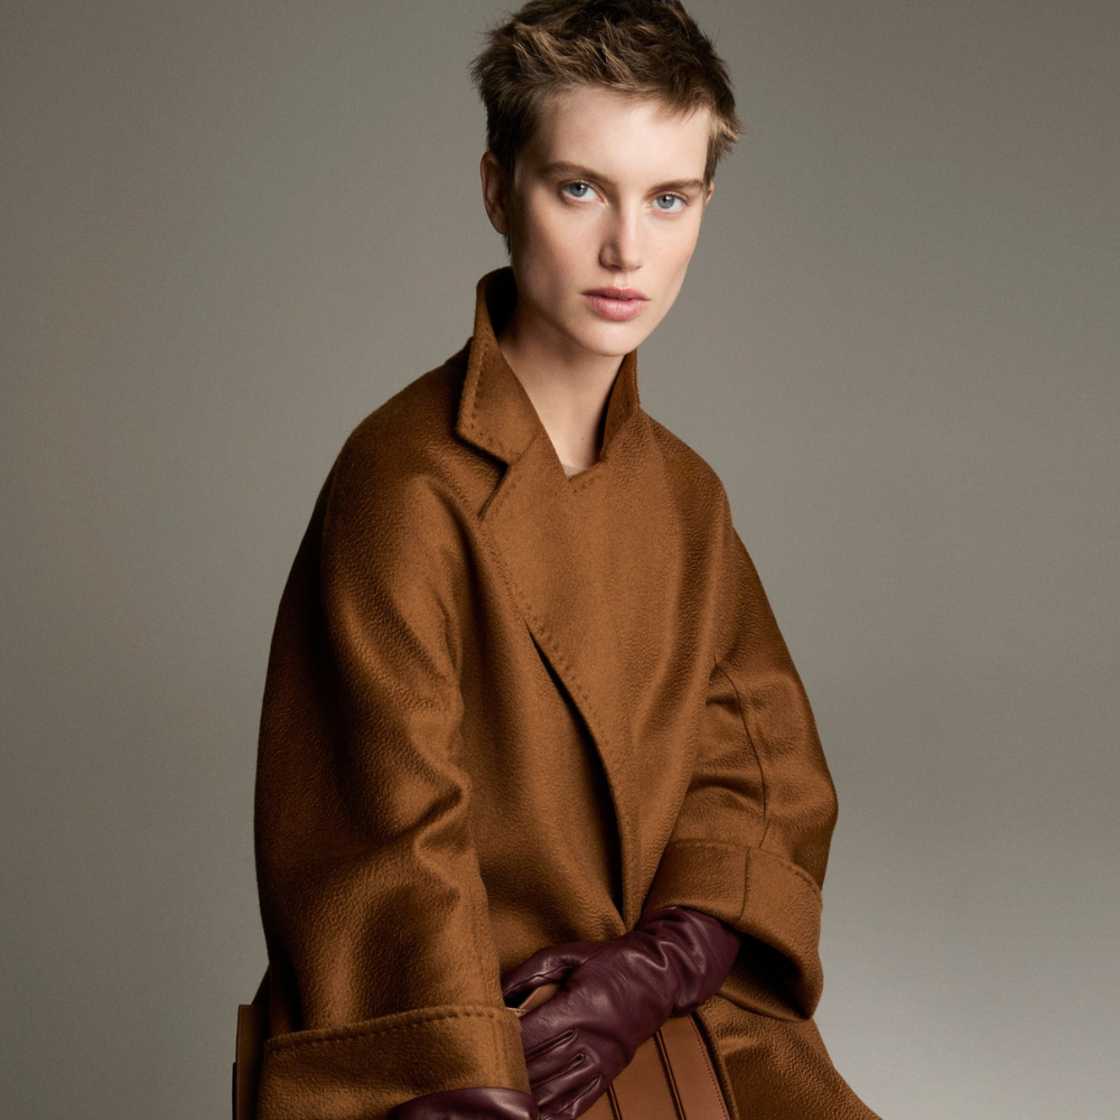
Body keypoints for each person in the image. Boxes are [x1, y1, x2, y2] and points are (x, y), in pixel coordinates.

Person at [250, 2, 882, 1118]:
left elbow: (758, 775)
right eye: (580, 188)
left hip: (667, 1030)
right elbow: (391, 851)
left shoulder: (687, 496)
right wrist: (484, 1067)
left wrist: (658, 968)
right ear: (499, 191)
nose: (627, 249)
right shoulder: (401, 483)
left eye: (669, 198)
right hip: (469, 1052)